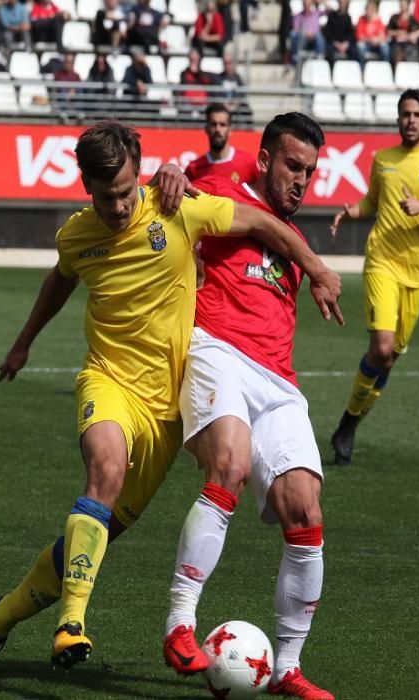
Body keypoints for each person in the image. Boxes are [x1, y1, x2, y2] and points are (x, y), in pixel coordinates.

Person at [0, 120, 342, 677]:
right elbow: (61, 277)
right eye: (105, 194)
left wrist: (318, 268)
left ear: (141, 176)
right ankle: (72, 623)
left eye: (126, 190)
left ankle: (1, 617)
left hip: (164, 408)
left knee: (91, 539)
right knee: (104, 473)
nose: (117, 205)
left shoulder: (174, 207)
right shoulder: (77, 234)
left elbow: (254, 219)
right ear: (86, 186)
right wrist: (23, 343)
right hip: (107, 380)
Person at [163, 112, 342, 700]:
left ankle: (287, 667)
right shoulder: (220, 191)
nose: (301, 181)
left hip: (278, 380)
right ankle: (180, 623)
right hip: (217, 350)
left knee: (305, 508)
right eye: (292, 165)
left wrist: (311, 270)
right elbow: (165, 189)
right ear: (263, 159)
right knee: (231, 465)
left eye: (310, 172)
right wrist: (166, 170)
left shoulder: (294, 237)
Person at [328, 89, 419, 465]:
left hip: (416, 273)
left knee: (389, 360)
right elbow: (372, 202)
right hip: (381, 262)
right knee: (382, 348)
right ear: (398, 118)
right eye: (405, 114)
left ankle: (349, 425)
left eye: (417, 114)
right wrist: (351, 211)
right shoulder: (382, 159)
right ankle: (348, 426)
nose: (411, 120)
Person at [185, 102, 258, 184]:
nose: (218, 129)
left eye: (222, 125)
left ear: (230, 130)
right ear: (206, 129)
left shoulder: (248, 163)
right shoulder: (193, 169)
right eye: (213, 124)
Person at [323, 0, 360, 66]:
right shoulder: (331, 16)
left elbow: (351, 34)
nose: (342, 4)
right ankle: (331, 72)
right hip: (333, 44)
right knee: (329, 52)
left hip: (345, 45)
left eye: (344, 2)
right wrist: (336, 43)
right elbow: (328, 33)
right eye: (341, 2)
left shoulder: (348, 18)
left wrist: (346, 44)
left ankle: (352, 71)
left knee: (355, 52)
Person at [179, 48, 215, 114]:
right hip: (189, 103)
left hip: (202, 103)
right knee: (184, 107)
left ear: (199, 59)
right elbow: (183, 89)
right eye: (192, 58)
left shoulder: (204, 74)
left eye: (195, 58)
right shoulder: (184, 73)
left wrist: (197, 72)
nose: (193, 60)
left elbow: (207, 82)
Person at [387, 0, 419, 65]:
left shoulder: (412, 18)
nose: (402, 5)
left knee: (411, 52)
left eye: (404, 4)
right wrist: (398, 32)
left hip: (409, 44)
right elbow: (388, 32)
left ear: (407, 5)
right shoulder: (394, 17)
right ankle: (397, 71)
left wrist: (414, 34)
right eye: (401, 4)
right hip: (396, 44)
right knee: (397, 53)